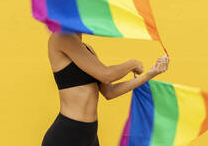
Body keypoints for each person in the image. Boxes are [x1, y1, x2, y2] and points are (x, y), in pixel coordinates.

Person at [41, 32, 170, 146]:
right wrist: (132, 63)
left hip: (89, 135)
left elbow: (109, 92)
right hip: (67, 135)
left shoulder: (88, 49)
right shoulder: (61, 37)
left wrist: (150, 74)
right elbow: (106, 75)